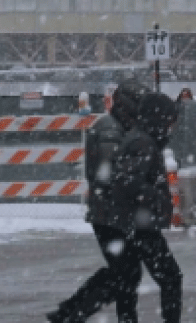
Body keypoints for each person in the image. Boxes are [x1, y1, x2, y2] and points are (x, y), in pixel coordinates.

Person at [48, 89, 183, 323]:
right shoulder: (136, 139)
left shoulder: (137, 136)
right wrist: (154, 199)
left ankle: (76, 314)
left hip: (128, 219)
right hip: (133, 221)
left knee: (126, 276)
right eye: (169, 120)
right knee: (152, 276)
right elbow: (122, 180)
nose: (171, 127)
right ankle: (71, 313)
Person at [48, 75, 145, 323]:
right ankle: (73, 314)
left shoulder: (118, 127)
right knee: (126, 272)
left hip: (111, 213)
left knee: (124, 271)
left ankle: (71, 312)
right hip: (110, 214)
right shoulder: (111, 130)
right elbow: (111, 172)